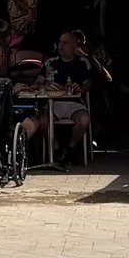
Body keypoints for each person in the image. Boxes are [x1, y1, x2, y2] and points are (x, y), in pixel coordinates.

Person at [27, 30, 105, 164]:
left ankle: (71, 149)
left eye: (65, 43)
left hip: (74, 101)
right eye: (60, 42)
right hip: (53, 102)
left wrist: (80, 88)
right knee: (43, 121)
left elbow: (88, 83)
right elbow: (39, 81)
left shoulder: (82, 62)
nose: (61, 45)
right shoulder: (51, 62)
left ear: (75, 46)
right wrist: (37, 86)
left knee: (84, 120)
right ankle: (56, 151)